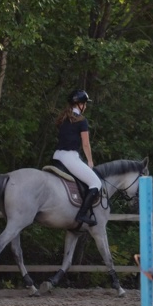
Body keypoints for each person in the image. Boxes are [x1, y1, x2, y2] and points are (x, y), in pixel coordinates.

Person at [53, 89, 101, 226]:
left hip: (57, 156)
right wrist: (90, 161)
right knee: (96, 183)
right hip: (69, 157)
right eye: (85, 104)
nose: (85, 106)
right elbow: (85, 144)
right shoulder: (81, 121)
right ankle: (81, 215)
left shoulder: (62, 118)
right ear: (80, 104)